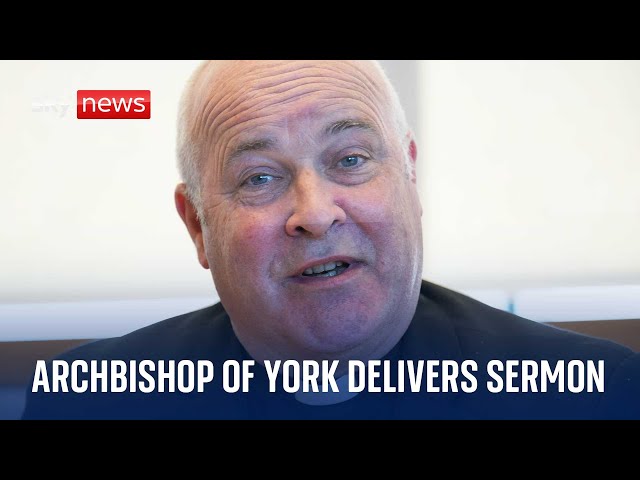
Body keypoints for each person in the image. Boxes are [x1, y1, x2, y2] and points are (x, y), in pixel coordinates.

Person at [21, 60, 640, 420]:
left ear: (411, 177)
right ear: (198, 225)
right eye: (259, 178)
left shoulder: (594, 395)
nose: (314, 215)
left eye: (350, 159)